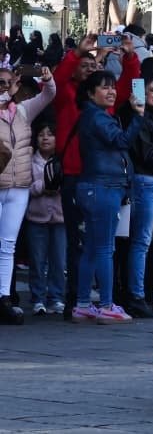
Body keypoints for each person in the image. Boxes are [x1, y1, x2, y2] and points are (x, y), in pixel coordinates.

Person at [72, 70, 146, 324]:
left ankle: (83, 303)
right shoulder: (99, 118)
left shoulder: (93, 116)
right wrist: (137, 116)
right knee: (105, 249)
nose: (111, 91)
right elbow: (122, 140)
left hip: (94, 186)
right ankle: (105, 304)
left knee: (92, 248)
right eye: (104, 88)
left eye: (113, 87)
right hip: (104, 187)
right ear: (91, 94)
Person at [0, 65, 56, 323]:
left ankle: (3, 298)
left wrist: (47, 80)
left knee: (8, 245)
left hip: (19, 186)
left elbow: (48, 95)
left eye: (7, 83)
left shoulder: (21, 111)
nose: (4, 88)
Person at [120, 78, 153, 317]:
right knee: (141, 241)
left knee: (144, 241)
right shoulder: (140, 121)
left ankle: (138, 293)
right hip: (145, 181)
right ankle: (136, 295)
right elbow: (150, 157)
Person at [26, 120, 65, 316]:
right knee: (37, 259)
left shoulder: (62, 160)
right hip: (37, 217)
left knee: (58, 260)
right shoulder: (30, 162)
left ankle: (56, 297)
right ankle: (37, 298)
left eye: (50, 134)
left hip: (59, 218)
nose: (46, 138)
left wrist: (57, 185)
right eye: (41, 134)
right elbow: (27, 188)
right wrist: (44, 185)